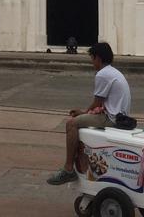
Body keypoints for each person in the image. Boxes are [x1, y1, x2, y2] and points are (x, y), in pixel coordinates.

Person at [47, 42, 132, 185]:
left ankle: (68, 169)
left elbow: (97, 102)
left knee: (71, 124)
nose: (92, 63)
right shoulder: (114, 72)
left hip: (112, 119)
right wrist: (84, 113)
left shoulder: (103, 74)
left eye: (92, 59)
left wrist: (82, 113)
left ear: (98, 58)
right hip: (121, 117)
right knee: (80, 121)